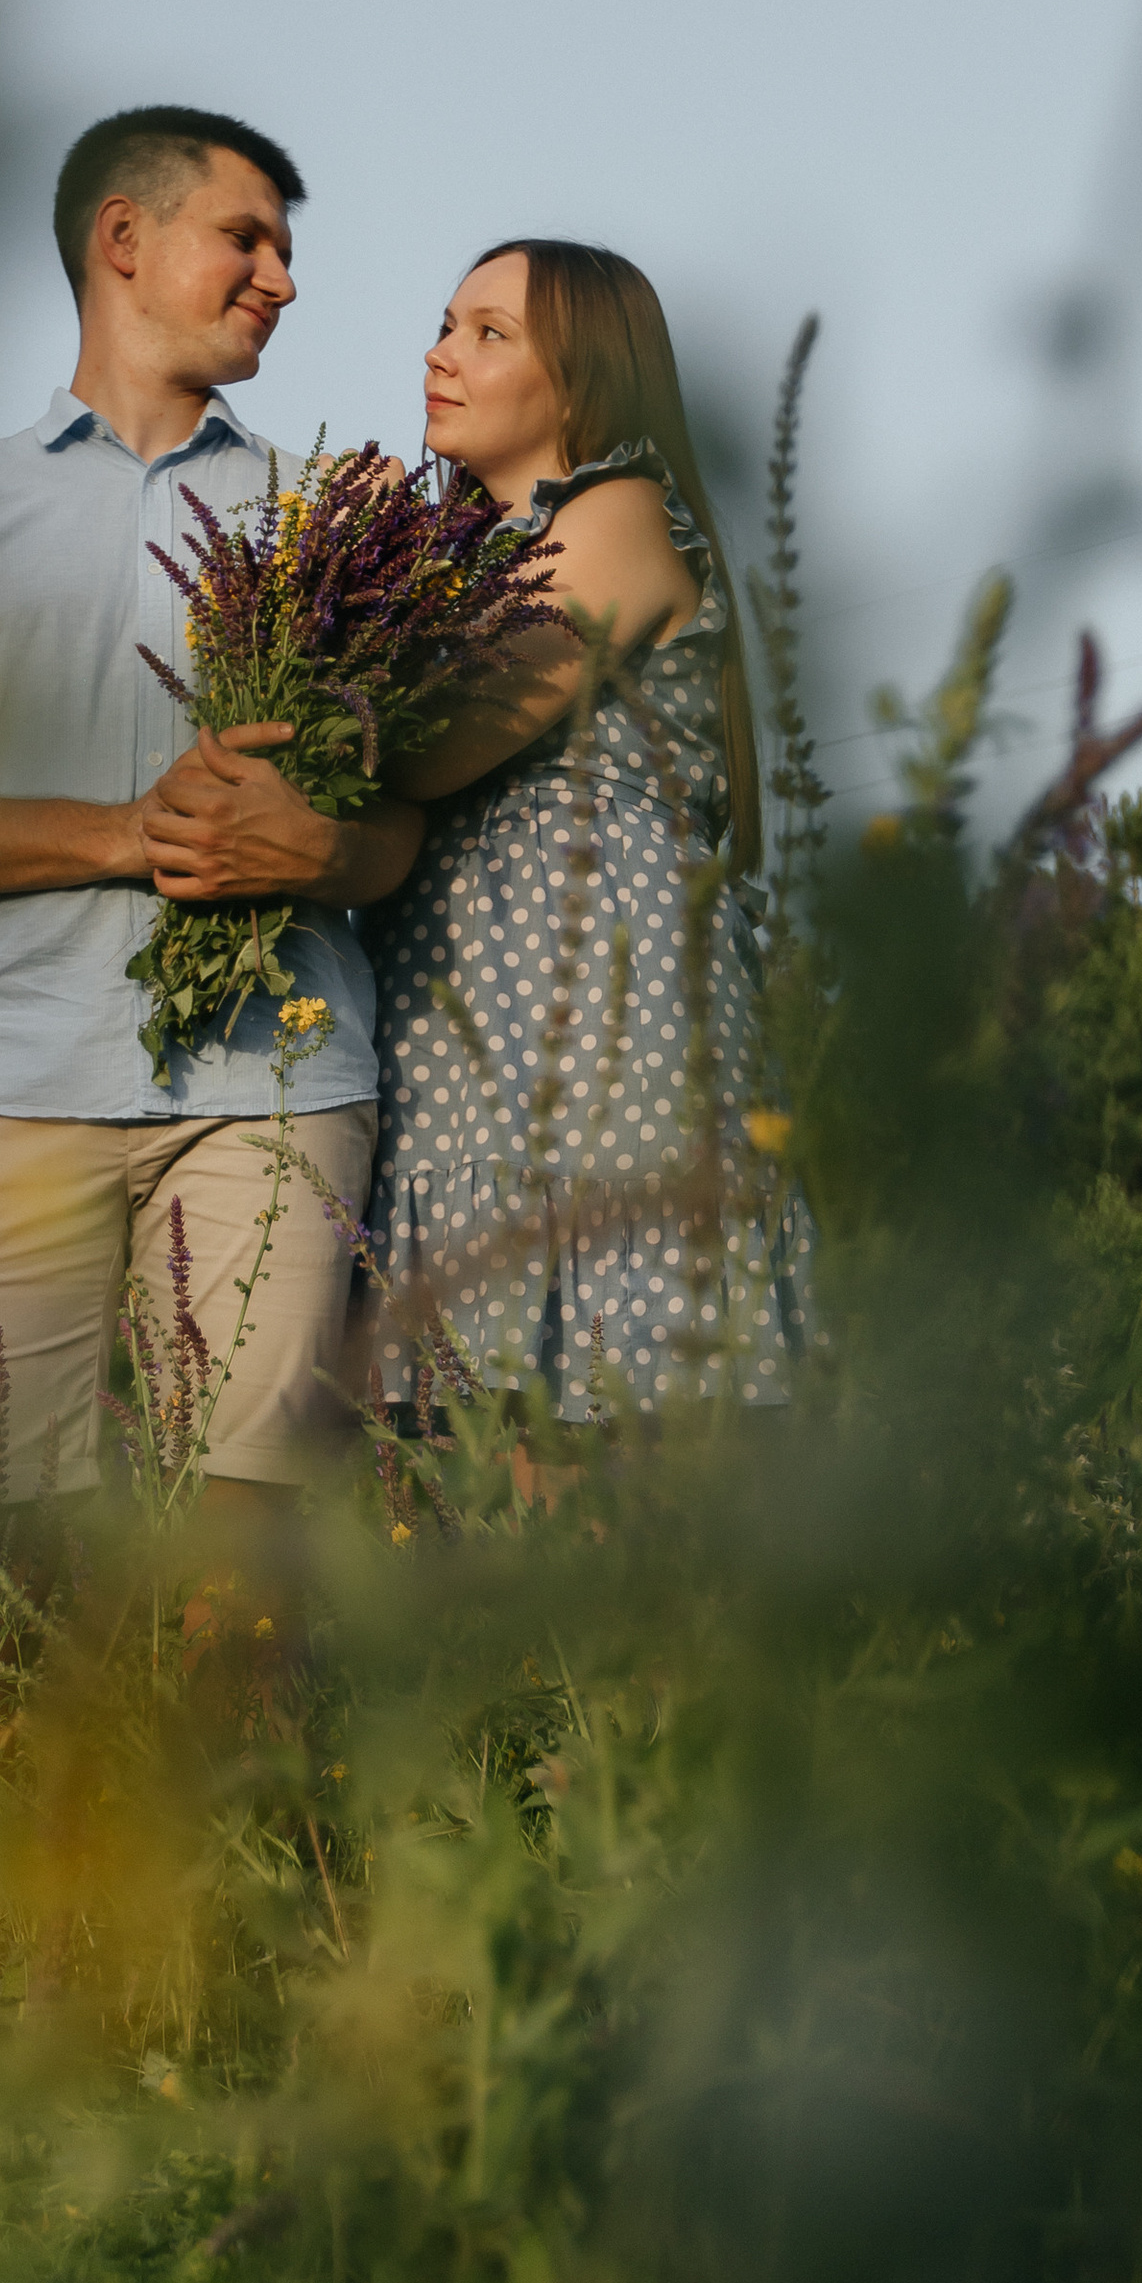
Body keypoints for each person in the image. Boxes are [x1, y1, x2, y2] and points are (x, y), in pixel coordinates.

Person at [0, 106, 424, 1970]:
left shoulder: (331, 520)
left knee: (248, 1577)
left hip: (274, 1090)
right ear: (122, 242)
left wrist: (321, 850)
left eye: (287, 250)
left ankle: (207, 1992)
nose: (283, 279)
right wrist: (125, 837)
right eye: (249, 238)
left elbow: (401, 831)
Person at [359, 239, 810, 1424]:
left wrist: (311, 703)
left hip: (599, 996)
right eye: (445, 325)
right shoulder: (460, 560)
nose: (440, 355)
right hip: (470, 1003)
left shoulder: (618, 510)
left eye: (488, 334)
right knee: (483, 1434)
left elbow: (443, 735)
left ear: (584, 383)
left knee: (613, 1419)